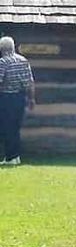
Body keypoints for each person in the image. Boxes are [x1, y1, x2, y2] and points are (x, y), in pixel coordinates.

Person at [0, 35, 35, 165]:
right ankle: (15, 156)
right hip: (20, 98)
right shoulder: (23, 60)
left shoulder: (3, 62)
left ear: (2, 48)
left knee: (6, 128)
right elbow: (30, 82)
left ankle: (11, 157)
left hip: (6, 98)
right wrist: (31, 99)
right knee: (15, 127)